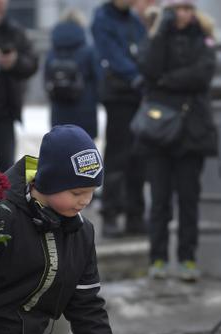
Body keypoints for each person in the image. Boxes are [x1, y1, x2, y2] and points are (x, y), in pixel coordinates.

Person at [0, 124, 136, 334]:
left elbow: (87, 307)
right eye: (76, 193)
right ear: (49, 180)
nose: (85, 200)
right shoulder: (0, 215)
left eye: (92, 191)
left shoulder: (82, 232)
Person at [139, 0, 217, 282]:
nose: (183, 14)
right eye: (177, 8)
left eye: (187, 7)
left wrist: (166, 80)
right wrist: (160, 31)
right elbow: (149, 70)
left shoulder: (204, 38)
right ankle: (157, 258)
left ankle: (187, 258)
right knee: (159, 200)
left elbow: (203, 75)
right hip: (159, 132)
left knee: (188, 200)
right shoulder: (158, 36)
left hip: (191, 132)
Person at [92, 0, 148, 238]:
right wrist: (136, 75)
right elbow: (112, 55)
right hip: (119, 95)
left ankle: (135, 214)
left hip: (137, 94)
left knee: (139, 156)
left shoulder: (133, 20)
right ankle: (111, 214)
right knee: (118, 155)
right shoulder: (103, 18)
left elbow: (143, 50)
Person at [0, 0, 39, 172]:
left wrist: (13, 62)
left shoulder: (15, 31)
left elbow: (32, 62)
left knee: (7, 168)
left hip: (4, 111)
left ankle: (4, 199)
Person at [46, 10, 100, 139]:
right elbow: (98, 77)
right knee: (84, 151)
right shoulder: (88, 50)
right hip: (85, 110)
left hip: (59, 109)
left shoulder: (52, 51)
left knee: (60, 148)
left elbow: (46, 79)